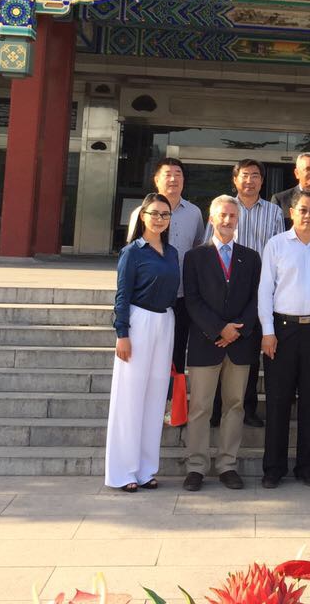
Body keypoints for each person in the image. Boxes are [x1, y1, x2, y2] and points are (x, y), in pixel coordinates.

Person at [258, 189, 310, 488]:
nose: (308, 215)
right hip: (282, 329)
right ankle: (273, 468)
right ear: (291, 212)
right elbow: (265, 290)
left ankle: (307, 467)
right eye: (303, 210)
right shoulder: (276, 245)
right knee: (278, 401)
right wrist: (267, 331)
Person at [181, 195, 260, 491]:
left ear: (238, 220)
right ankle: (196, 466)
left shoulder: (251, 257)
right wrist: (218, 329)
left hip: (240, 344)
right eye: (222, 215)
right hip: (206, 342)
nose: (227, 221)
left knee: (235, 405)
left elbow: (256, 298)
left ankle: (228, 464)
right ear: (212, 218)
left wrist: (237, 330)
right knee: (200, 407)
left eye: (232, 216)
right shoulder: (195, 257)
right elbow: (192, 299)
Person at [105, 193, 178, 492]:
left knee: (155, 398)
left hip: (165, 321)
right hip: (139, 322)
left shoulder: (171, 252)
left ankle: (146, 469)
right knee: (130, 399)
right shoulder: (132, 252)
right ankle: (123, 472)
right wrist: (122, 332)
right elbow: (122, 294)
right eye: (154, 213)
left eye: (165, 214)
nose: (159, 218)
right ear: (143, 216)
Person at [203, 158, 282, 429]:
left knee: (247, 351)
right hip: (222, 290)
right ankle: (215, 408)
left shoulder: (274, 212)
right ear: (235, 179)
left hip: (258, 290)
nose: (250, 180)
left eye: (256, 175)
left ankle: (247, 408)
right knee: (216, 351)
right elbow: (207, 248)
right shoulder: (223, 208)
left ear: (263, 180)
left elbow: (280, 250)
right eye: (245, 175)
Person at [126, 159, 205, 397]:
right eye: (167, 174)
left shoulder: (194, 213)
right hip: (147, 299)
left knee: (177, 352)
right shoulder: (140, 213)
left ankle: (173, 405)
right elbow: (131, 254)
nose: (173, 179)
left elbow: (198, 248)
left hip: (182, 296)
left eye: (178, 174)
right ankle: (144, 399)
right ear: (156, 180)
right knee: (146, 354)